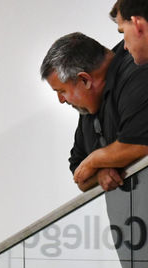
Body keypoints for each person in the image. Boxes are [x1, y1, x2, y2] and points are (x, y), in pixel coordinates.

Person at [41, 32, 148, 191]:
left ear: (84, 80)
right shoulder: (88, 109)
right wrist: (100, 174)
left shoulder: (137, 71)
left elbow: (140, 142)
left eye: (61, 91)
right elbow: (80, 175)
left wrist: (95, 160)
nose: (61, 100)